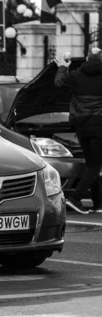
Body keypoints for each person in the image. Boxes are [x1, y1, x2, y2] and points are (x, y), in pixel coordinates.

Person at [55, 47, 102, 214]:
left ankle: (98, 202)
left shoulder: (75, 75)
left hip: (81, 126)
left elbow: (59, 82)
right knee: (96, 165)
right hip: (99, 127)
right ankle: (76, 198)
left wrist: (63, 66)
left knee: (92, 163)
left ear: (87, 59)